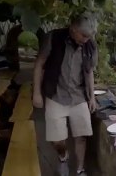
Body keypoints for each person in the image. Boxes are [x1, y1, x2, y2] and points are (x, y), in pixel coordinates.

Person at [33, 12, 98, 176]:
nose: (86, 39)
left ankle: (80, 169)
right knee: (57, 140)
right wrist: (37, 93)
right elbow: (39, 64)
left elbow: (89, 71)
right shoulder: (53, 38)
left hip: (79, 97)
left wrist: (92, 97)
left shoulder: (90, 44)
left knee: (82, 136)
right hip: (55, 95)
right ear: (73, 28)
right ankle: (63, 157)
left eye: (89, 36)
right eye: (83, 35)